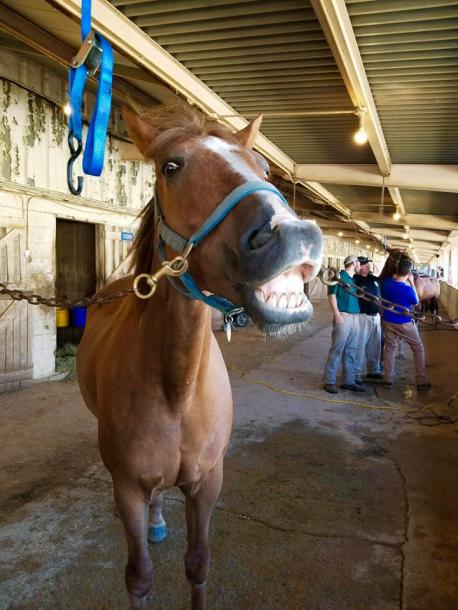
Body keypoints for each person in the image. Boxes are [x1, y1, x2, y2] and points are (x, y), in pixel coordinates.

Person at [381, 257, 431, 391]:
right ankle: (421, 380)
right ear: (409, 273)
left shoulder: (386, 282)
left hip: (387, 320)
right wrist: (412, 283)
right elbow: (415, 303)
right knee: (418, 348)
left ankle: (388, 379)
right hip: (404, 322)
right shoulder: (408, 290)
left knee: (390, 348)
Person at [324, 255, 365, 394]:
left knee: (351, 350)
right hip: (343, 316)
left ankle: (349, 381)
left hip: (354, 317)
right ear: (353, 264)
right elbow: (331, 295)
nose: (360, 266)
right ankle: (329, 381)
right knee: (337, 349)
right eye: (359, 263)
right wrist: (336, 313)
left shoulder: (352, 280)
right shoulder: (339, 277)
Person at [354, 257, 383, 383]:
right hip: (362, 316)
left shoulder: (376, 280)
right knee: (360, 345)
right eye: (362, 266)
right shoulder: (355, 280)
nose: (366, 268)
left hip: (376, 316)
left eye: (367, 265)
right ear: (358, 267)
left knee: (375, 344)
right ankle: (356, 373)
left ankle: (374, 370)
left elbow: (381, 296)